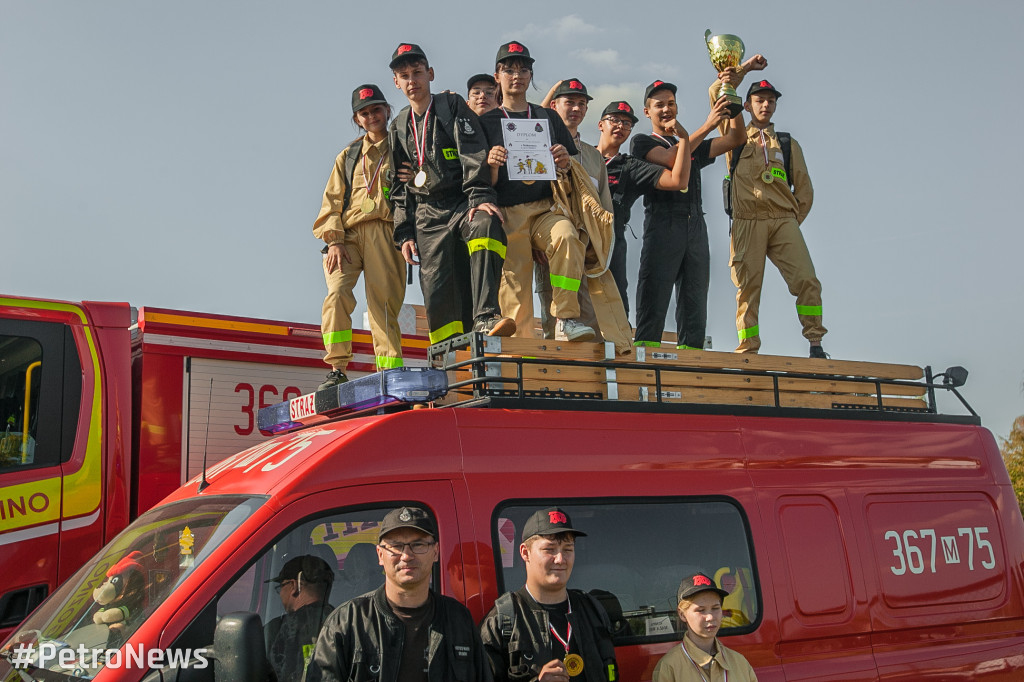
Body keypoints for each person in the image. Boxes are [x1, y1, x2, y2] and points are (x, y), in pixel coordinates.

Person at [387, 43, 515, 345]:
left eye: (417, 73)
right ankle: (446, 358)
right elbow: (398, 185)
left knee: (486, 222)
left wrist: (480, 196)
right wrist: (404, 233)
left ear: (430, 74)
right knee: (437, 293)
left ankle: (486, 317)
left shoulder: (451, 106)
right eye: (404, 75)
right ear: (396, 82)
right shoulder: (399, 126)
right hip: (427, 216)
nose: (412, 81)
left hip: (461, 202)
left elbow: (473, 153)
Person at [480, 42, 595, 342]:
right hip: (508, 214)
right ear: (497, 76)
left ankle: (566, 319)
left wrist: (564, 160)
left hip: (546, 207)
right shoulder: (486, 122)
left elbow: (567, 169)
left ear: (531, 75)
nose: (516, 75)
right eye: (509, 69)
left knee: (567, 237)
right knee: (515, 286)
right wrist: (492, 164)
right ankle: (519, 353)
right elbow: (481, 184)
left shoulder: (547, 117)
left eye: (523, 69)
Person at [308, 506, 491, 681]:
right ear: (380, 555)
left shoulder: (459, 620)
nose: (406, 555)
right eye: (396, 546)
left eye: (418, 544)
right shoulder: (347, 622)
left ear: (435, 552)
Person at [630, 81, 745, 350]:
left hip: (695, 225)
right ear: (647, 112)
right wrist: (708, 125)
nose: (666, 109)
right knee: (654, 293)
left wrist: (732, 105)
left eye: (671, 103)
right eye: (659, 105)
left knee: (695, 297)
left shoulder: (691, 143)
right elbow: (673, 158)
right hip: (663, 224)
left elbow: (735, 139)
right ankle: (646, 356)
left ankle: (692, 359)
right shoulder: (642, 142)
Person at [313, 84, 407, 390]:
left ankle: (389, 371)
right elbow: (332, 201)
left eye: (376, 110)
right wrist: (335, 240)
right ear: (357, 119)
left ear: (387, 111)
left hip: (386, 230)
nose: (372, 117)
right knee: (337, 294)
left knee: (383, 306)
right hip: (347, 238)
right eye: (364, 113)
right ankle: (337, 367)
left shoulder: (403, 147)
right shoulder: (349, 155)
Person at [727, 79, 825, 357]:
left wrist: (791, 223)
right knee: (747, 288)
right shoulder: (734, 137)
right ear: (746, 105)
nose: (766, 104)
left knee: (807, 280)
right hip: (747, 220)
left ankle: (815, 341)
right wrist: (731, 76)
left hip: (783, 220)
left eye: (770, 100)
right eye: (759, 100)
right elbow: (718, 99)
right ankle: (748, 348)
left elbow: (804, 188)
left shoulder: (786, 142)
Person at [480, 507, 618, 682]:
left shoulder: (592, 610)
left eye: (567, 549)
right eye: (549, 549)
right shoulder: (502, 621)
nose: (560, 559)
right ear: (525, 552)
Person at [595, 101, 691, 321]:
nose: (620, 126)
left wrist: (684, 139)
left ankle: (620, 348)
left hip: (612, 241)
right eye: (615, 120)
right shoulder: (581, 155)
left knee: (616, 305)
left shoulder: (631, 166)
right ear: (600, 124)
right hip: (580, 238)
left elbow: (678, 180)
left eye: (627, 123)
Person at [651, 572, 757, 682]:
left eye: (715, 608)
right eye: (701, 610)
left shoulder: (740, 662)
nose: (710, 617)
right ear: (682, 614)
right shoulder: (669, 667)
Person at [264, 555, 336, 682]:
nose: (280, 594)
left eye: (281, 587)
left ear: (294, 586)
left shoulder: (280, 629)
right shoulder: (342, 621)